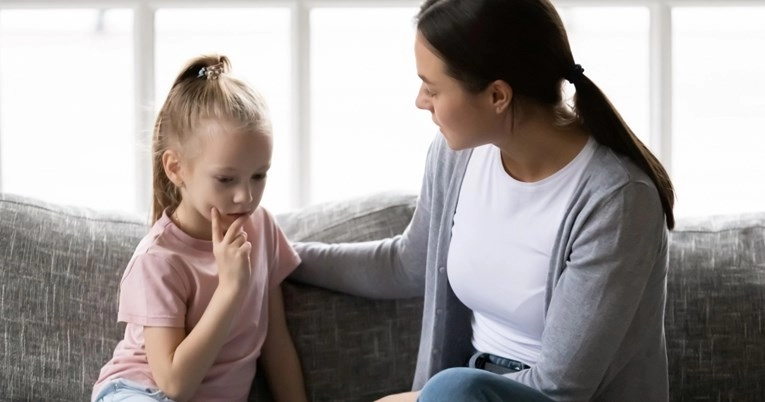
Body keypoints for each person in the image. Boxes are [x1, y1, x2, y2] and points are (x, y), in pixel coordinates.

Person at [290, 0, 675, 401]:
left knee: (453, 388)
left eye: (432, 87)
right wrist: (281, 254)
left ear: (497, 96)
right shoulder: (456, 155)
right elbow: (408, 263)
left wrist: (418, 400)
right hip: (460, 393)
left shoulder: (617, 201)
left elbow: (562, 387)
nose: (421, 101)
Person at [92, 55, 308, 402]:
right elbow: (174, 384)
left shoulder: (262, 227)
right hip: (139, 391)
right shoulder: (158, 260)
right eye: (225, 179)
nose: (245, 196)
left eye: (259, 175)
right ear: (176, 168)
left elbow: (276, 343)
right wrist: (231, 288)